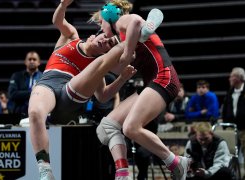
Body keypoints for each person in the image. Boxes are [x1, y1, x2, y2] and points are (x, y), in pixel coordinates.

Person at [28, 0, 138, 179]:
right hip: (48, 84)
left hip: (71, 94)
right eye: (106, 39)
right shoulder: (72, 36)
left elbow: (103, 96)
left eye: (110, 44)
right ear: (94, 36)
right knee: (34, 113)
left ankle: (135, 34)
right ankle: (45, 170)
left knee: (99, 64)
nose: (106, 43)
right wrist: (63, 5)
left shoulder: (97, 68)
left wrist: (122, 78)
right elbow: (58, 21)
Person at [92, 1, 191, 180]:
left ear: (109, 17)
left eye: (100, 23)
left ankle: (176, 162)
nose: (100, 30)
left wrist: (128, 52)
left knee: (130, 128)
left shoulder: (121, 22)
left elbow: (137, 22)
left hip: (164, 77)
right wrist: (111, 68)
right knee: (106, 127)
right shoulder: (116, 44)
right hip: (152, 82)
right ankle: (122, 173)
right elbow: (103, 95)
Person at [92, 0, 163, 64]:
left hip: (161, 71)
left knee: (138, 26)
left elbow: (135, 20)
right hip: (155, 66)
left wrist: (127, 54)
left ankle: (146, 26)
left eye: (101, 23)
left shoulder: (119, 22)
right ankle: (144, 29)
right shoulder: (123, 33)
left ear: (109, 16)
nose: (101, 28)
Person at [8, 50, 42, 118]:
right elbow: (12, 94)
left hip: (38, 113)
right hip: (19, 113)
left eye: (34, 59)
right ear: (25, 62)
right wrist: (33, 92)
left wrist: (22, 93)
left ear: (39, 62)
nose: (32, 61)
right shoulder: (16, 76)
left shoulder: (43, 77)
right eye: (29, 59)